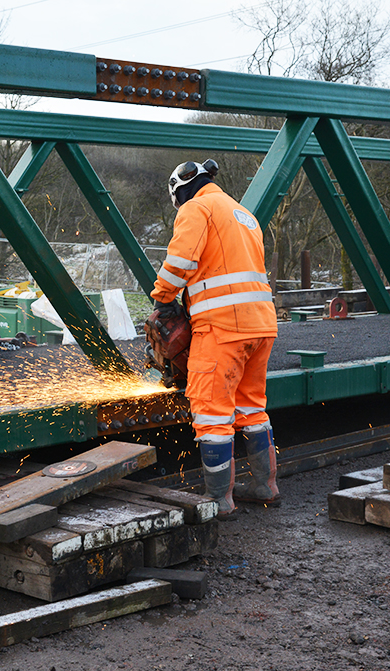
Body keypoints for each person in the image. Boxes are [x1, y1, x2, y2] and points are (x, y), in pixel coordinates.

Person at [151, 159, 279, 518]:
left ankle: (220, 501)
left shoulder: (196, 208)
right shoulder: (243, 214)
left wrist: (162, 299)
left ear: (181, 189)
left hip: (223, 328)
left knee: (211, 413)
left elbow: (181, 261)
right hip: (261, 325)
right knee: (251, 406)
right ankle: (264, 486)